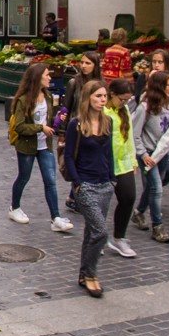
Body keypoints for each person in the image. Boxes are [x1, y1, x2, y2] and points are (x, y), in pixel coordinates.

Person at [6, 63, 73, 232]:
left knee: (50, 181)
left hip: (45, 145)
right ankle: (14, 208)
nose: (50, 77)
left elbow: (48, 122)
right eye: (46, 75)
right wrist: (40, 128)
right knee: (23, 177)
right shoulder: (23, 100)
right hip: (27, 146)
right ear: (37, 78)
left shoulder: (48, 97)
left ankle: (55, 217)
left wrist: (57, 120)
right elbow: (19, 127)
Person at [63, 81, 114, 298]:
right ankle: (92, 275)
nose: (103, 100)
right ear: (88, 98)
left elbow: (109, 153)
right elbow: (68, 156)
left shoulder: (108, 121)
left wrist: (112, 179)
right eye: (98, 96)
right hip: (86, 185)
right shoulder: (77, 124)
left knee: (91, 232)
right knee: (100, 232)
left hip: (105, 185)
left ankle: (84, 274)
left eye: (104, 96)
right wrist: (77, 183)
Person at [132, 70, 169, 243]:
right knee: (157, 187)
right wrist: (142, 154)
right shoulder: (144, 107)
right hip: (148, 154)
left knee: (154, 186)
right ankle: (158, 226)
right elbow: (135, 133)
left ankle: (139, 211)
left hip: (163, 152)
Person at [59, 51, 102, 211]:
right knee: (77, 161)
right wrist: (62, 131)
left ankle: (76, 196)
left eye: (88, 63)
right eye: (82, 62)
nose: (83, 66)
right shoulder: (74, 83)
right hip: (76, 128)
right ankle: (76, 194)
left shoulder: (100, 83)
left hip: (95, 127)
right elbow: (65, 108)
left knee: (89, 161)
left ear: (95, 66)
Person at [105, 78, 140, 258]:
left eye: (128, 100)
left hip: (124, 163)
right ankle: (98, 237)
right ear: (112, 94)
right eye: (122, 99)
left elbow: (130, 138)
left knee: (128, 198)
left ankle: (120, 237)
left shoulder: (124, 110)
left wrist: (133, 161)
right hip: (105, 164)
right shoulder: (103, 111)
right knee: (101, 203)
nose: (125, 103)